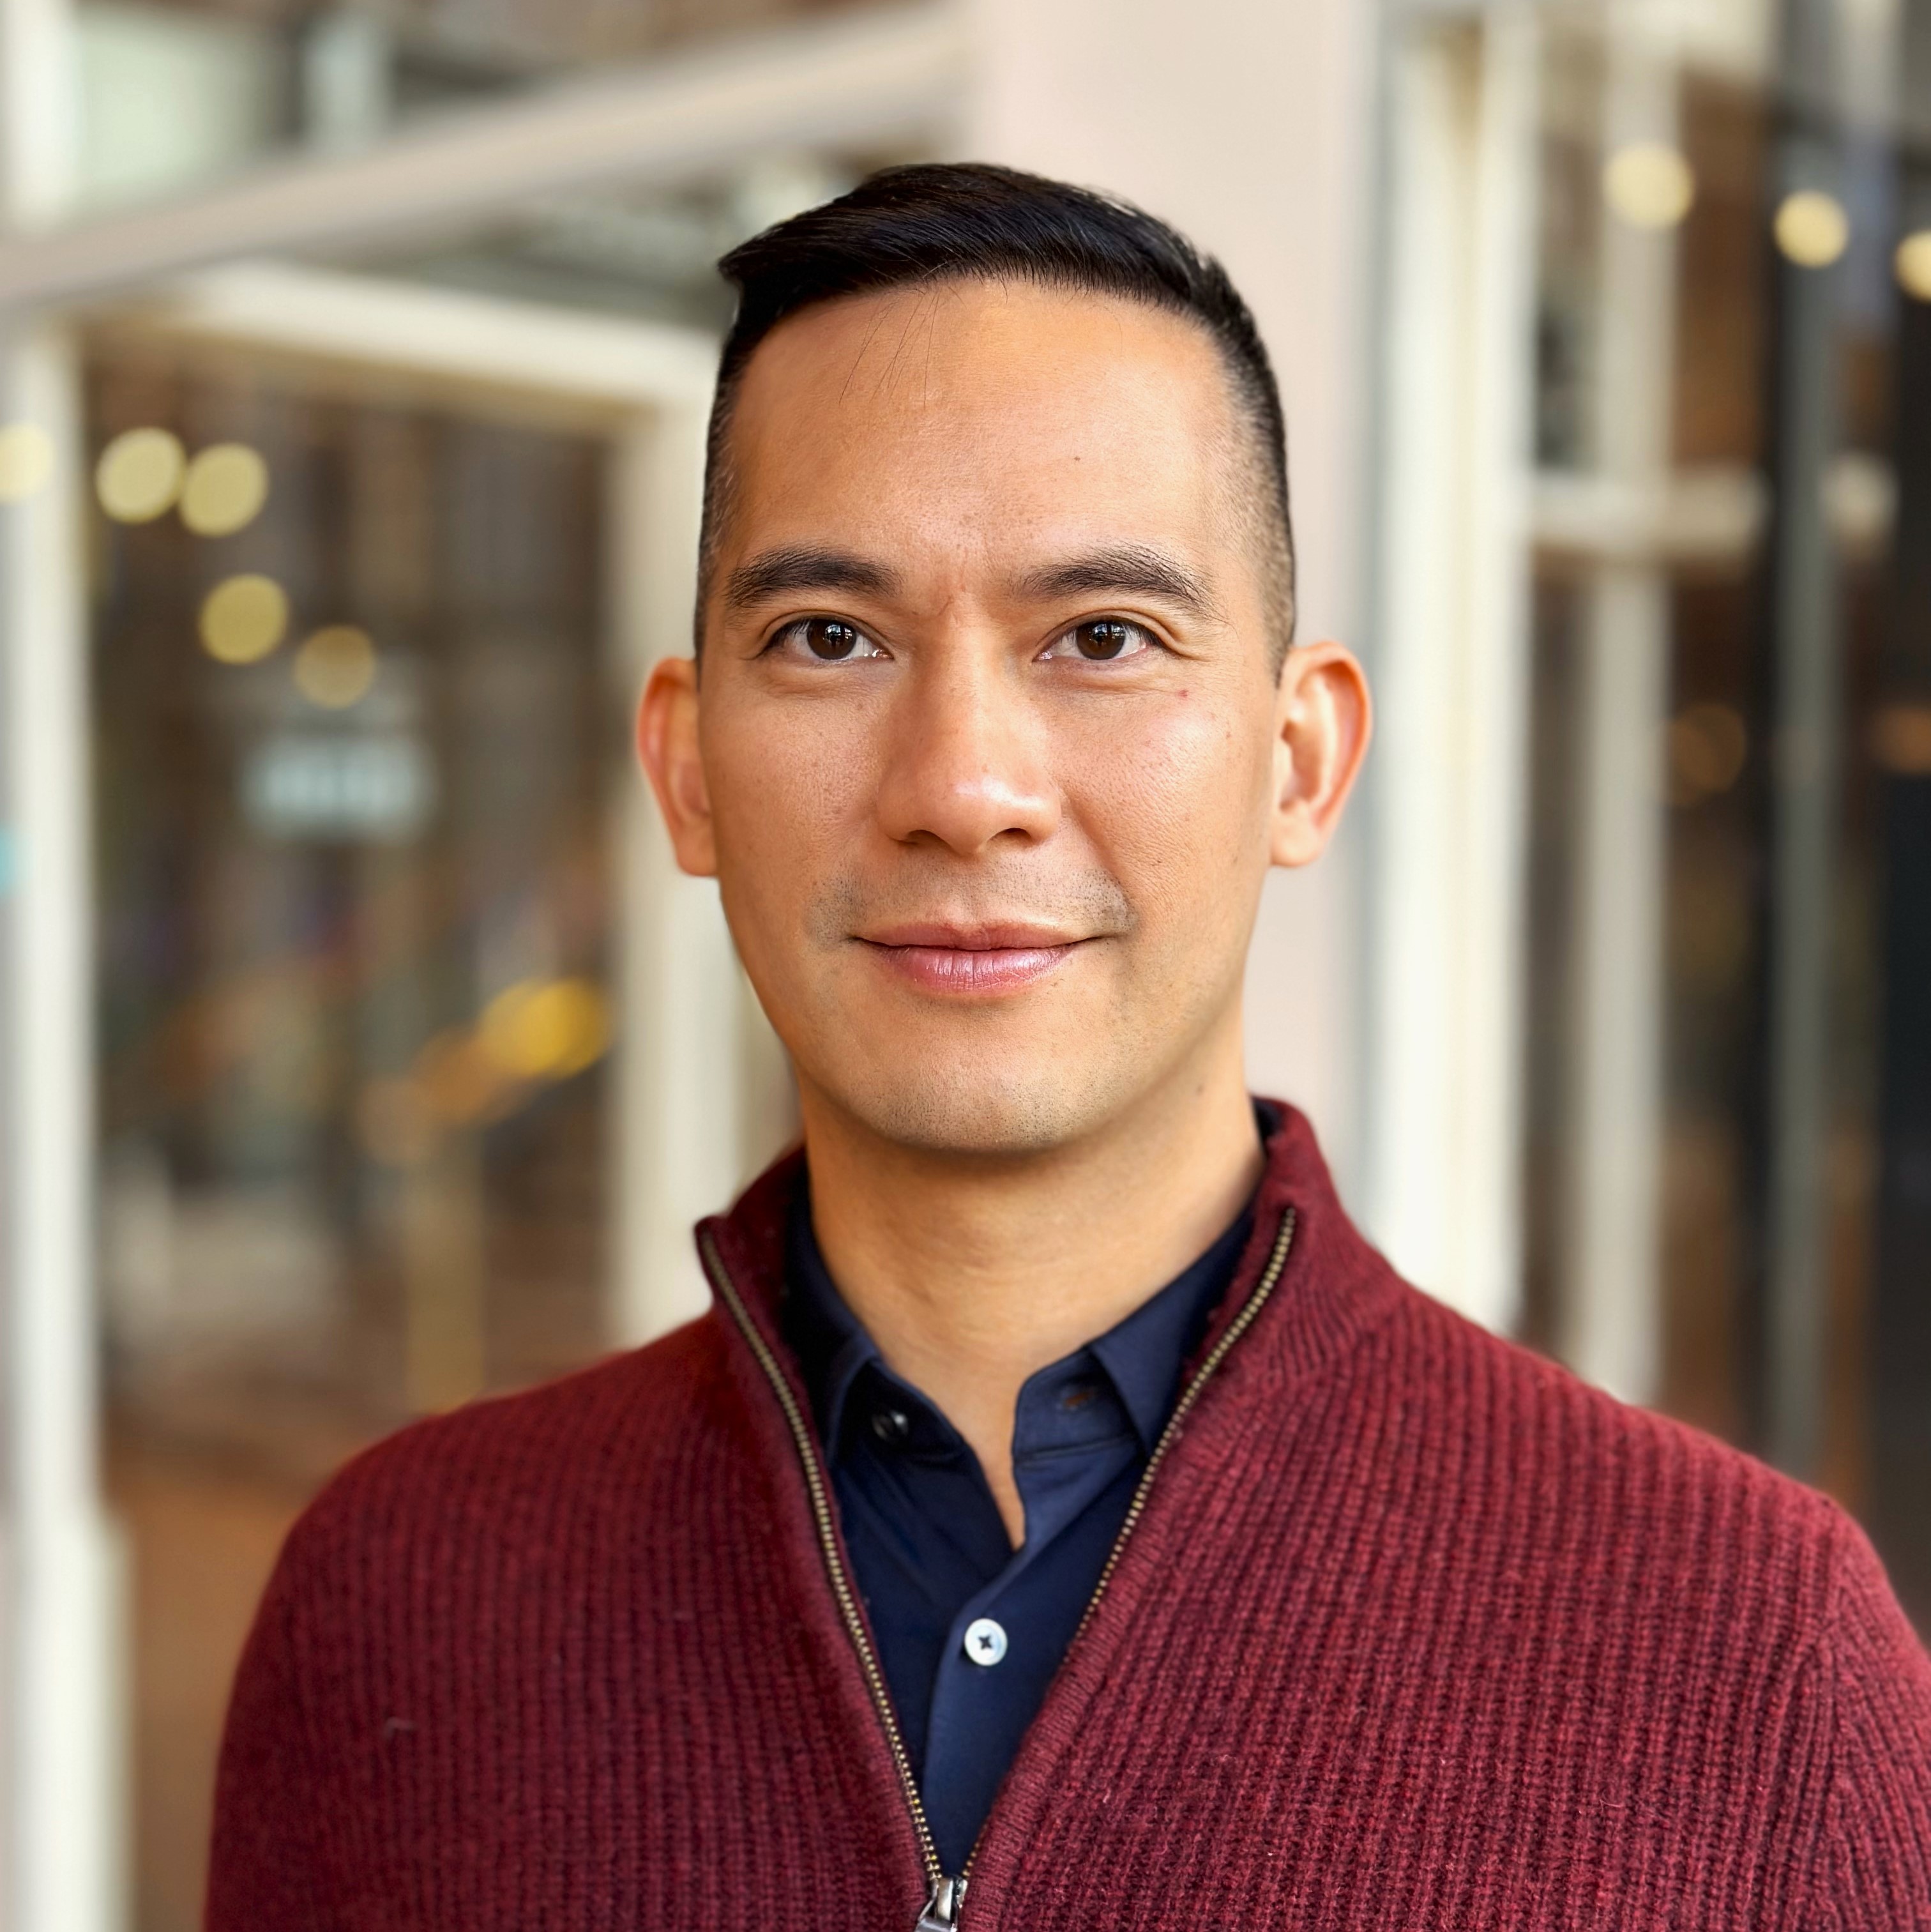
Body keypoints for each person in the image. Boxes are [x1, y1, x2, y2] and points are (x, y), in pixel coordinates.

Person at [207, 164, 1931, 1931]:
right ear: (689, 764)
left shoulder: (1755, 1662)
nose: (965, 786)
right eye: (830, 638)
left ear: (1300, 760)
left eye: (1104, 638)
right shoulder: (398, 1605)